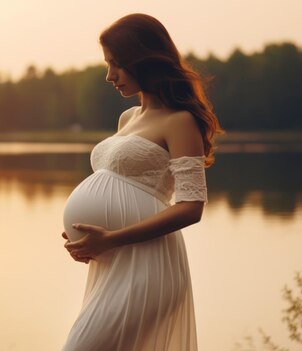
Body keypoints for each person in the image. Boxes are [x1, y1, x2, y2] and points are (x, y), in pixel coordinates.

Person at [61, 13, 222, 351]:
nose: (109, 76)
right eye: (107, 65)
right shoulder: (128, 117)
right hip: (115, 262)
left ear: (143, 61)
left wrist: (111, 238)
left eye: (117, 64)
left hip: (149, 268)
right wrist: (86, 236)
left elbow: (192, 208)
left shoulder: (180, 122)